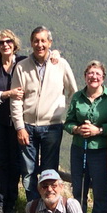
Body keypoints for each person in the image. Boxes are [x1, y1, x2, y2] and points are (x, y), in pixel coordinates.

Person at [10, 26, 78, 201]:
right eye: (36, 41)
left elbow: (74, 93)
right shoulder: (21, 67)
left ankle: (47, 207)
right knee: (28, 171)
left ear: (50, 43)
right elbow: (16, 99)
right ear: (31, 43)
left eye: (43, 41)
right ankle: (33, 208)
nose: (39, 44)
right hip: (27, 127)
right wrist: (19, 126)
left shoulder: (61, 65)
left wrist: (67, 115)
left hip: (52, 127)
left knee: (49, 172)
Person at [64, 60, 107, 213]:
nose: (93, 77)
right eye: (90, 74)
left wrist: (99, 130)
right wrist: (77, 129)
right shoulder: (77, 96)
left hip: (100, 151)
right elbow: (67, 122)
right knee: (79, 190)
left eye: (97, 74)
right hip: (79, 149)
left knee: (101, 191)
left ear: (103, 78)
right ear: (85, 76)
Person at [0, 29, 27, 213]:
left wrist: (56, 55)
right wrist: (7, 94)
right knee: (1, 161)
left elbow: (45, 58)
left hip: (18, 121)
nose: (5, 45)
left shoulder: (24, 63)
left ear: (14, 43)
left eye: (8, 41)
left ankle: (12, 200)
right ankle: (0, 201)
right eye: (1, 42)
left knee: (16, 162)